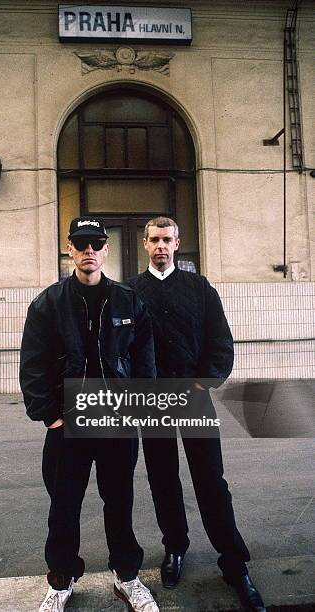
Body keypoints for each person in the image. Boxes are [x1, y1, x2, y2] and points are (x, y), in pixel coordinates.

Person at [20, 216, 159, 612]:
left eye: (96, 244)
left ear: (106, 250)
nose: (88, 251)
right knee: (64, 503)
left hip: (116, 420)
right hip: (68, 423)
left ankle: (127, 577)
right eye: (80, 244)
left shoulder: (129, 301)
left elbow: (144, 361)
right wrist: (51, 417)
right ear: (69, 249)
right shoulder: (48, 303)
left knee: (119, 501)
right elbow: (33, 365)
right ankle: (61, 581)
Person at [127, 216, 266, 612]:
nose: (161, 246)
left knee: (210, 480)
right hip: (152, 401)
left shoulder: (199, 288)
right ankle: (174, 548)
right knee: (162, 479)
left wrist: (204, 383)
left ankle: (233, 562)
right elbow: (125, 348)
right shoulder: (131, 292)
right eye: (154, 239)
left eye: (167, 239)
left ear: (178, 242)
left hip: (193, 396)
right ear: (144, 243)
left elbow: (220, 342)